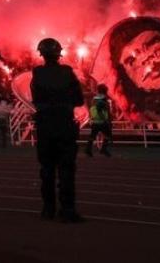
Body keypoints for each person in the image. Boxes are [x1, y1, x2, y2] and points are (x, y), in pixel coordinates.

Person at [31, 38, 84, 222]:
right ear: (58, 53)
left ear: (42, 54)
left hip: (45, 127)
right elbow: (79, 99)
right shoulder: (67, 72)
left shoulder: (36, 73)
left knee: (46, 170)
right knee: (66, 170)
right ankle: (67, 211)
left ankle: (48, 209)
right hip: (64, 126)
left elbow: (35, 98)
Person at [86, 84, 112, 157]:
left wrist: (92, 117)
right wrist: (106, 119)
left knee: (92, 136)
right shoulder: (103, 99)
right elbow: (102, 109)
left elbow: (92, 109)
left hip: (95, 120)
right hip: (102, 121)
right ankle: (103, 149)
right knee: (107, 135)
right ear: (105, 90)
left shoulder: (94, 99)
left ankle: (88, 149)